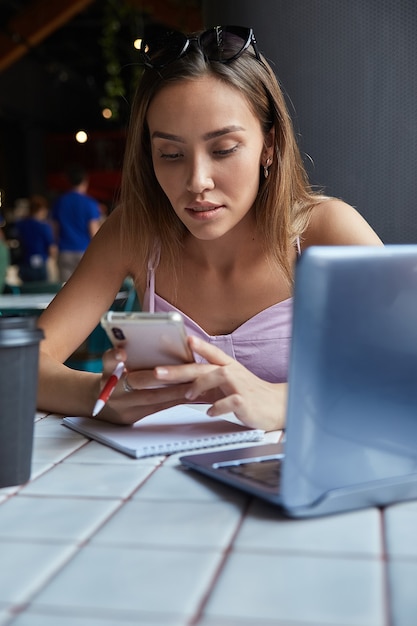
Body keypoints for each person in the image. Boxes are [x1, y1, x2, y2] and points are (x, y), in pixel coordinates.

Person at [36, 25, 382, 431]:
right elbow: (21, 366)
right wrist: (100, 395)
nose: (197, 180)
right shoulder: (133, 231)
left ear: (268, 146)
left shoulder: (324, 231)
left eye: (223, 149)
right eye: (170, 153)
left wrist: (284, 401)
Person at [52, 164, 102, 282]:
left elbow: (55, 229)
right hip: (84, 252)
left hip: (65, 251)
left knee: (65, 291)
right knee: (87, 290)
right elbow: (94, 231)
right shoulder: (90, 203)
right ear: (85, 181)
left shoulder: (60, 202)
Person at [15, 195, 58, 283]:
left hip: (25, 263)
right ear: (41, 209)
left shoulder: (21, 224)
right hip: (40, 264)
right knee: (42, 291)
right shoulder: (44, 226)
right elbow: (51, 248)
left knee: (27, 292)